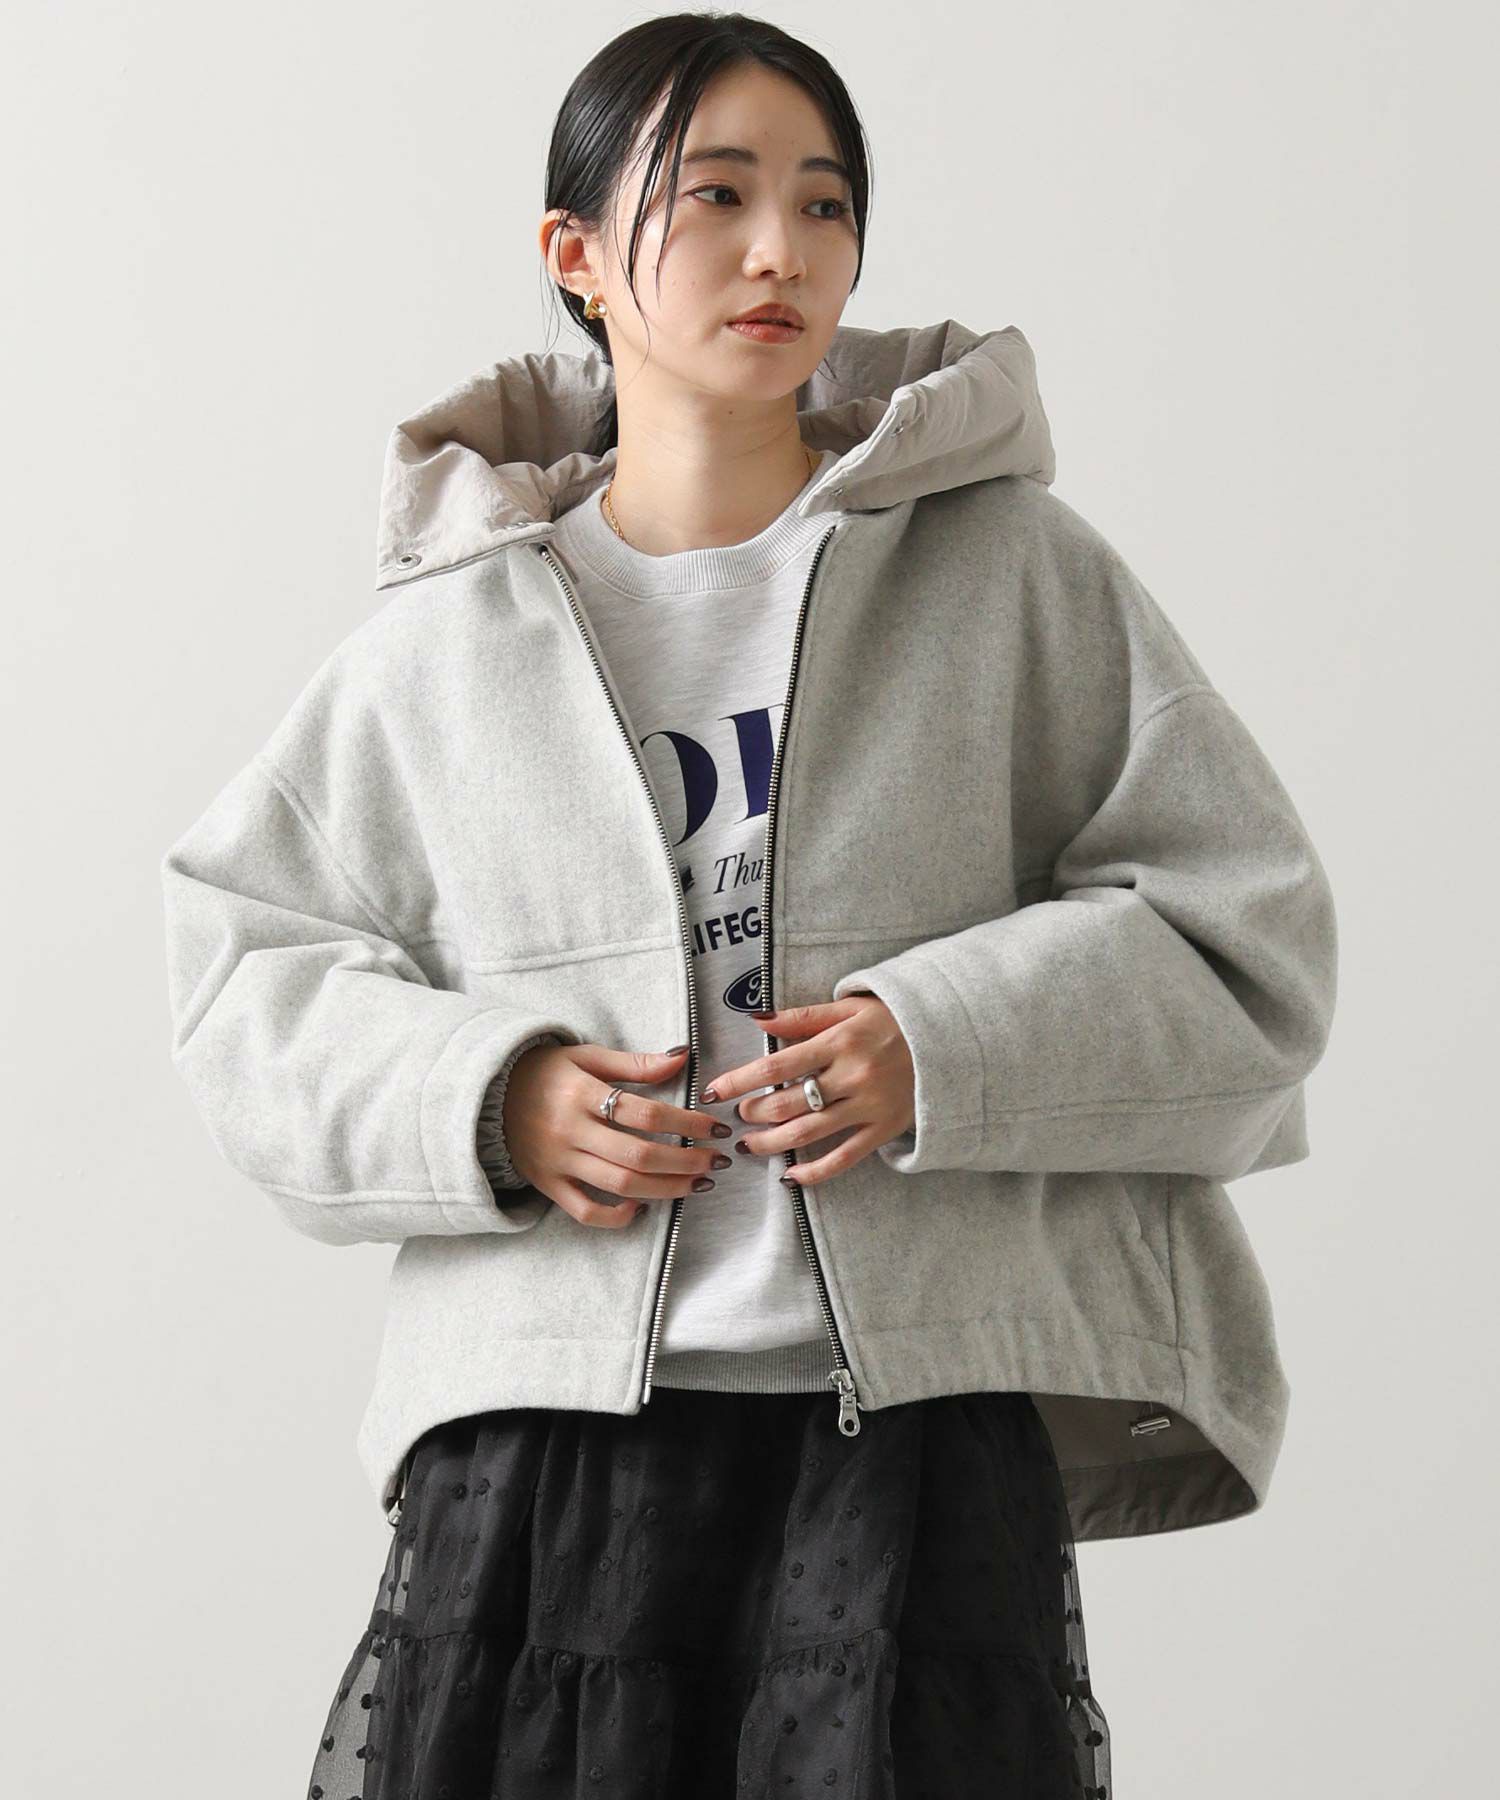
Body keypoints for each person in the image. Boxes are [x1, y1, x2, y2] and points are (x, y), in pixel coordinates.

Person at [160, 13, 1338, 1798]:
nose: (781, 249)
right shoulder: (451, 633)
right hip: (548, 1452)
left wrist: (940, 1045)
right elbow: (243, 973)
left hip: (914, 1440)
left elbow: (1247, 937)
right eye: (713, 196)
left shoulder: (1016, 573)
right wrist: (495, 1098)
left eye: (824, 202)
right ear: (575, 255)